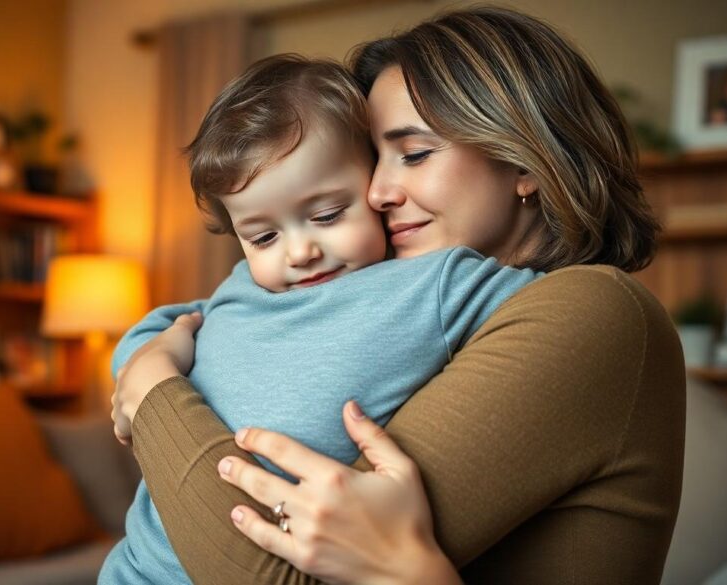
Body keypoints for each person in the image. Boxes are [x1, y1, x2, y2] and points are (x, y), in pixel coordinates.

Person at [112, 6, 685, 584]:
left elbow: (268, 573)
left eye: (414, 154)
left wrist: (154, 387)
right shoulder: (408, 305)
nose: (379, 192)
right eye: (374, 161)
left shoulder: (595, 309)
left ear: (523, 158)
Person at [99, 54, 541, 585]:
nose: (300, 251)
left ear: (366, 182)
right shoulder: (246, 282)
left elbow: (559, 303)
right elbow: (160, 331)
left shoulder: (435, 282)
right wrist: (151, 357)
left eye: (328, 215)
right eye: (263, 236)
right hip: (137, 569)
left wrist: (151, 392)